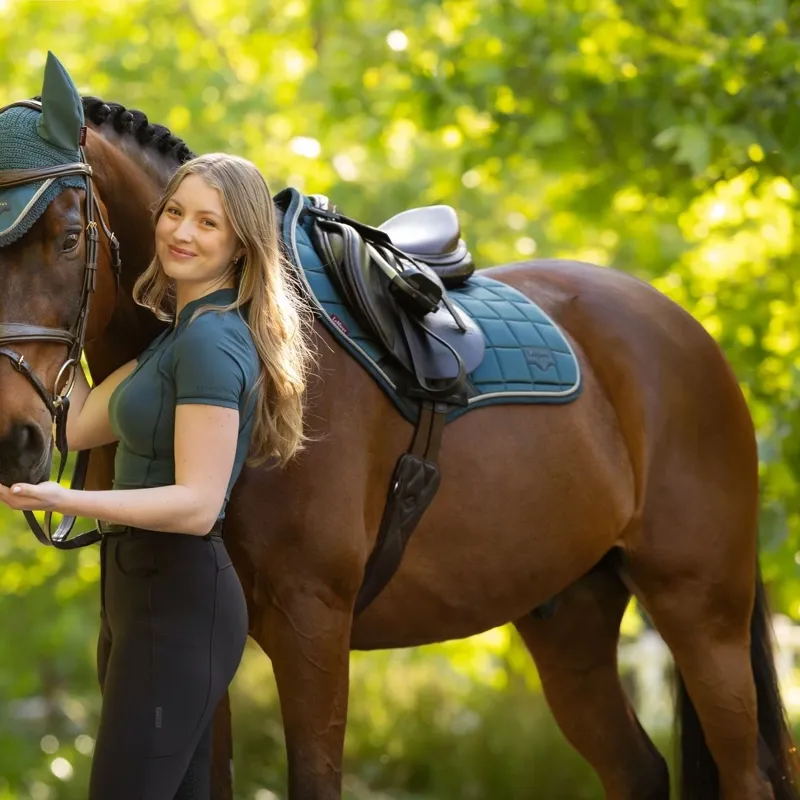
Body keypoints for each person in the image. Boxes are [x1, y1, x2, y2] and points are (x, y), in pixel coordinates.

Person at [0, 152, 316, 799]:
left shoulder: (209, 344)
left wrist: (70, 497)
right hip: (141, 596)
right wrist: (57, 311)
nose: (181, 232)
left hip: (177, 603)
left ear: (239, 246)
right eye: (175, 212)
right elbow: (81, 422)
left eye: (208, 223)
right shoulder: (177, 339)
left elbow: (200, 505)